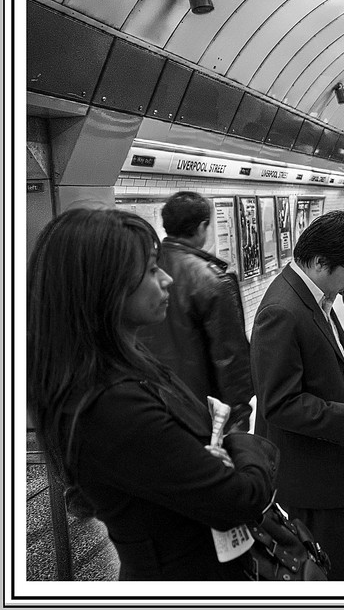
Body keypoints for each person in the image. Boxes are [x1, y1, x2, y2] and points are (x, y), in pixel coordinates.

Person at [26, 208, 278, 580]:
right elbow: (238, 499)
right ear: (103, 286)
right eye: (150, 269)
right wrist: (244, 443)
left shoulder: (119, 366)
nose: (167, 280)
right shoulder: (111, 404)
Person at [250, 211, 344, 581]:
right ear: (319, 262)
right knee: (334, 575)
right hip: (312, 484)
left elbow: (321, 353)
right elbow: (279, 404)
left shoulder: (314, 295)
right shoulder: (281, 311)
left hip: (335, 470)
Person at [139, 191, 254, 431]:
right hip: (200, 407)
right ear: (203, 226)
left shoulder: (143, 270)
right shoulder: (210, 278)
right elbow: (230, 356)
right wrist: (240, 414)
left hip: (150, 402)